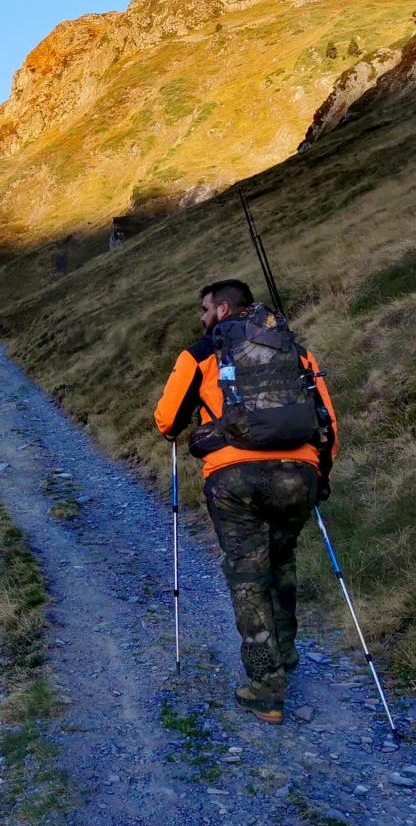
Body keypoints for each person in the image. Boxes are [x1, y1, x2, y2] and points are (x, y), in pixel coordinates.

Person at [154, 280, 338, 724]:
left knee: (247, 576)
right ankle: (286, 653)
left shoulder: (199, 354)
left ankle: (265, 687)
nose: (201, 318)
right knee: (282, 559)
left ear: (222, 308)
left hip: (234, 478)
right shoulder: (296, 350)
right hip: (300, 472)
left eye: (204, 310)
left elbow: (166, 422)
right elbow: (326, 421)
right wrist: (320, 475)